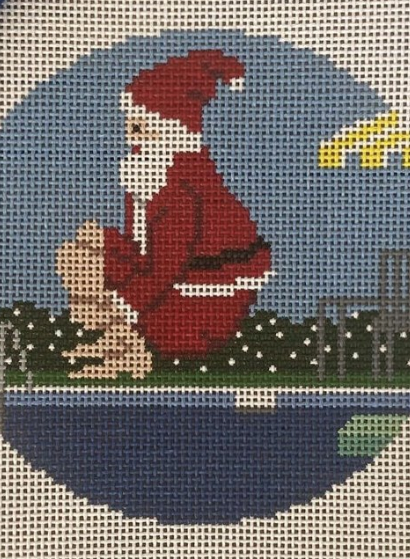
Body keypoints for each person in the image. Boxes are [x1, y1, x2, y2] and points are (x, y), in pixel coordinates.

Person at [57, 50, 272, 378]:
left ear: (169, 127)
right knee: (82, 251)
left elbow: (166, 268)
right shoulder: (146, 171)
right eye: (130, 123)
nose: (130, 134)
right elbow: (143, 249)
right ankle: (120, 340)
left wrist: (122, 305)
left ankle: (131, 349)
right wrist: (103, 246)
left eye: (139, 125)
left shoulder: (180, 188)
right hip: (173, 286)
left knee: (88, 259)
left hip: (199, 309)